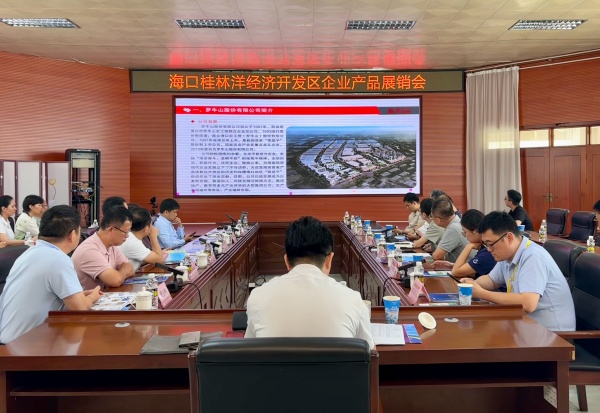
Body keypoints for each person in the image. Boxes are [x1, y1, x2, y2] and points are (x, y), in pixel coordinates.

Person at [245, 216, 375, 349]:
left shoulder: (257, 297)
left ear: (287, 261)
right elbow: (370, 352)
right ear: (329, 260)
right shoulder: (353, 299)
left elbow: (248, 351)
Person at [0, 205, 102, 343]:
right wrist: (93, 297)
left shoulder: (29, 253)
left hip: (12, 341)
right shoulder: (58, 258)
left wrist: (79, 295)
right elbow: (80, 308)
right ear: (72, 235)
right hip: (27, 345)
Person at [460, 211, 575, 331]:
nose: (488, 250)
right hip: (526, 325)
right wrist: (471, 285)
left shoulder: (533, 256)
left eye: (490, 244)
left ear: (509, 238)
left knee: (480, 332)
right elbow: (491, 280)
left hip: (552, 334)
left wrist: (482, 294)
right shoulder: (507, 254)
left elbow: (528, 304)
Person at [72, 206, 135, 290]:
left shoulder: (112, 246)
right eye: (125, 232)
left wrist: (120, 274)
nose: (127, 236)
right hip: (89, 298)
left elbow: (131, 269)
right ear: (110, 230)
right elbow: (115, 281)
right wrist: (122, 272)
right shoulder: (89, 250)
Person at [432, 209, 496, 277]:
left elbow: (456, 272)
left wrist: (468, 247)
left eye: (465, 232)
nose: (465, 236)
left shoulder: (487, 251)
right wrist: (452, 265)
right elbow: (477, 271)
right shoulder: (484, 246)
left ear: (476, 231)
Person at [118, 205, 165, 271]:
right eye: (151, 224)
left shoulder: (131, 238)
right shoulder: (132, 242)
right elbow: (159, 260)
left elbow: (140, 258)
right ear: (146, 228)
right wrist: (153, 236)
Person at [430, 198, 470, 263]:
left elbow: (436, 256)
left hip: (462, 268)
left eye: (432, 217)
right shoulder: (458, 222)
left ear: (437, 219)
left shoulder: (453, 228)